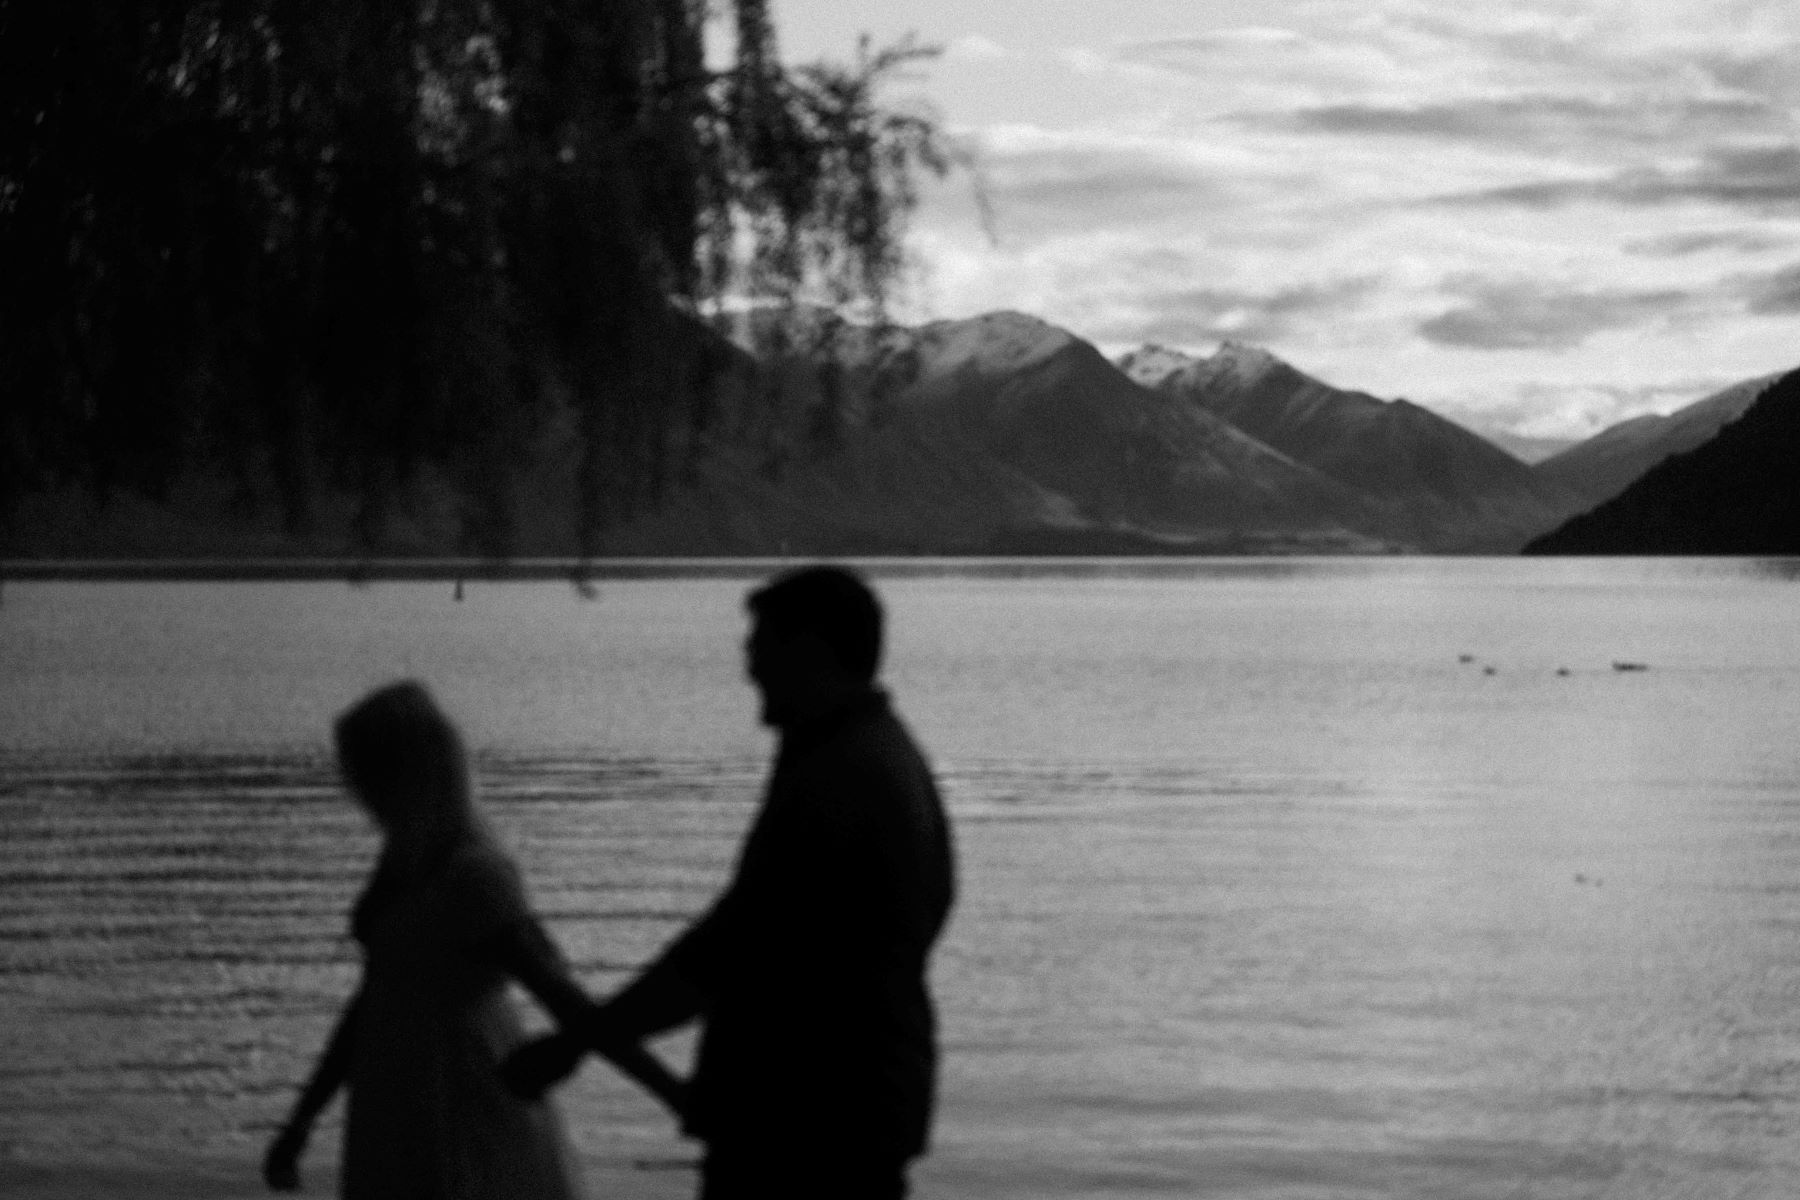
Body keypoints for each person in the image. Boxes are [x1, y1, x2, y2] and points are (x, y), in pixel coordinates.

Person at [505, 565, 957, 1200]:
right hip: (859, 1107)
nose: (749, 669)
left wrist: (577, 1042)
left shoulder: (840, 778)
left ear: (812, 650)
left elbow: (732, 949)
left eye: (762, 646)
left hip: (803, 1123)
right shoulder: (881, 760)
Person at [263, 680, 684, 1198]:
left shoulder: (473, 876)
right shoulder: (403, 865)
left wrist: (672, 1092)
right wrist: (302, 1119)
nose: (352, 788)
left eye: (363, 771)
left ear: (401, 774)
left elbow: (563, 998)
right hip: (394, 1096)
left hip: (459, 1094)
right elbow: (375, 995)